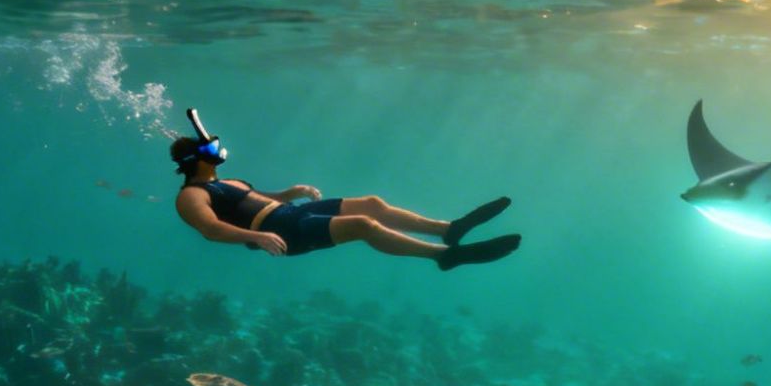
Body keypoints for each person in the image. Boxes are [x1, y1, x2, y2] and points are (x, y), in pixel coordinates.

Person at [171, 109, 519, 270]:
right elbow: (211, 230)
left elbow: (260, 200)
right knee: (363, 227)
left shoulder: (225, 183)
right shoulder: (192, 196)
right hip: (280, 231)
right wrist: (260, 238)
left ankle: (448, 230)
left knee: (371, 204)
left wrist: (290, 193)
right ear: (199, 158)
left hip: (291, 213)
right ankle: (444, 257)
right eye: (212, 149)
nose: (219, 153)